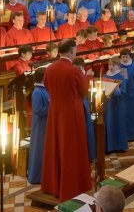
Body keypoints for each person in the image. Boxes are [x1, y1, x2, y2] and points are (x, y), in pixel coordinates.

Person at [41, 38, 94, 201]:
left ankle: (54, 184)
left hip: (55, 112)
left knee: (56, 146)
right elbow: (85, 91)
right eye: (75, 50)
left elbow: (47, 86)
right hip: (72, 113)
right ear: (71, 51)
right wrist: (88, 77)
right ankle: (72, 186)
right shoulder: (73, 70)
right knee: (71, 148)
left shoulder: (49, 69)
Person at [28, 67, 49, 184]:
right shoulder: (37, 91)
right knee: (39, 149)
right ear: (42, 78)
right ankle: (36, 176)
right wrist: (52, 106)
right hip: (40, 126)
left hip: (46, 123)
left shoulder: (44, 89)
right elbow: (37, 110)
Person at [72, 58, 96, 162]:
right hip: (78, 104)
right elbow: (83, 87)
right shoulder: (76, 75)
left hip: (84, 103)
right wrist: (89, 76)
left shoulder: (79, 73)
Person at [104, 56, 128, 153]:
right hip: (108, 104)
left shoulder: (120, 77)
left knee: (118, 123)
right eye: (109, 64)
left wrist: (116, 89)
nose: (111, 67)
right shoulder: (105, 77)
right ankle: (109, 147)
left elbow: (124, 91)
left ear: (118, 66)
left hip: (118, 104)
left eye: (113, 65)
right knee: (109, 124)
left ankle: (119, 146)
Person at [120, 48, 134, 141]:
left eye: (126, 57)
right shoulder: (120, 68)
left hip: (133, 94)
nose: (125, 59)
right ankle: (126, 135)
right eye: (123, 57)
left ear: (130, 57)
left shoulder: (133, 67)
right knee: (125, 115)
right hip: (124, 95)